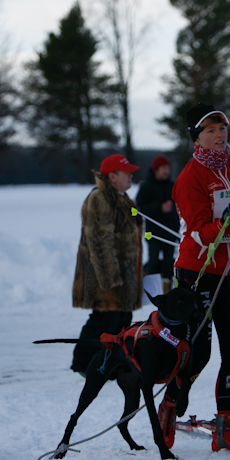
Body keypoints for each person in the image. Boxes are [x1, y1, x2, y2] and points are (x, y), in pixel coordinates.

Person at [157, 103, 230, 455]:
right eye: (211, 130)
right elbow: (198, 233)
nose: (220, 134)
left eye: (222, 128)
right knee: (198, 353)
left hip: (229, 272)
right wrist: (224, 224)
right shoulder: (189, 178)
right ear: (197, 138)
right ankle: (170, 404)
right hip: (197, 273)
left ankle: (225, 426)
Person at [70, 154, 144, 375]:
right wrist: (111, 279)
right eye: (126, 172)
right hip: (107, 277)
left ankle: (111, 364)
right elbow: (100, 242)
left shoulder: (123, 198)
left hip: (124, 276)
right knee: (104, 320)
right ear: (112, 176)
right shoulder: (100, 199)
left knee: (122, 321)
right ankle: (83, 364)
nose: (131, 176)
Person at [135, 155, 180, 294]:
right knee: (153, 261)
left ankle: (167, 291)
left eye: (167, 168)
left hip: (170, 232)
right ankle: (151, 291)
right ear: (155, 170)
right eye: (163, 168)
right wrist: (159, 207)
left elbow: (178, 208)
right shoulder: (146, 186)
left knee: (169, 262)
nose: (166, 171)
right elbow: (140, 208)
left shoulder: (172, 186)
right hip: (153, 233)